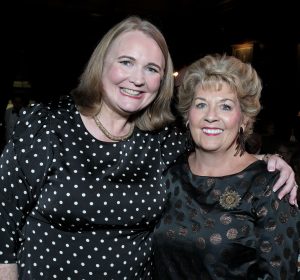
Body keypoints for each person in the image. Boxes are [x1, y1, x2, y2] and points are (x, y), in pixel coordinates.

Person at [0, 17, 297, 280]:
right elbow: (4, 224)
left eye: (152, 68)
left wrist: (269, 161)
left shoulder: (159, 142)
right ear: (101, 63)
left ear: (162, 81)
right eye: (126, 62)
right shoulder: (48, 125)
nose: (138, 79)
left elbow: (215, 145)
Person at [153, 54, 300, 279]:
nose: (211, 116)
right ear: (187, 116)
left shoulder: (270, 188)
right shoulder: (169, 173)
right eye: (201, 104)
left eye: (225, 106)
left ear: (243, 120)